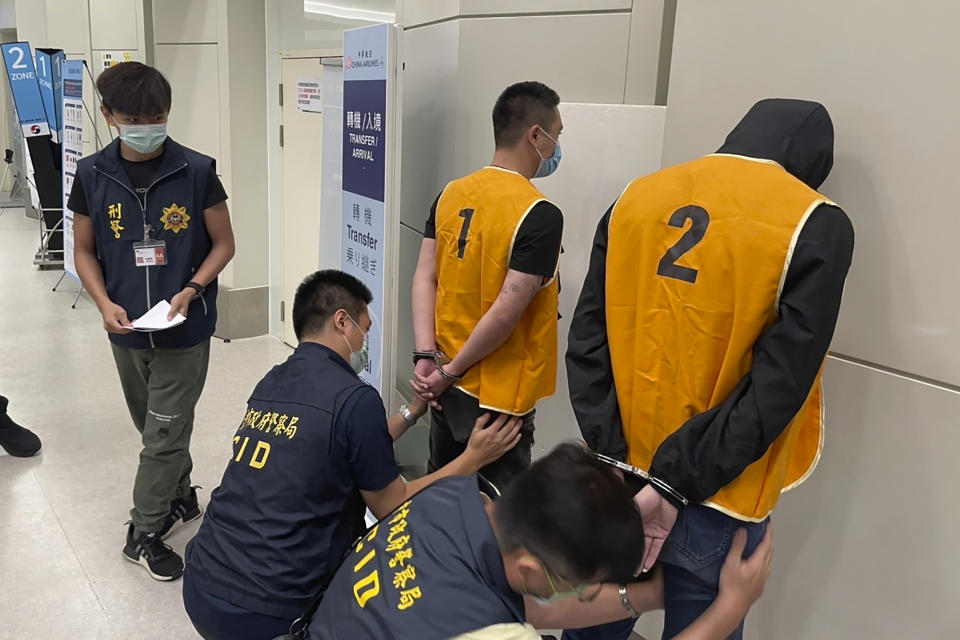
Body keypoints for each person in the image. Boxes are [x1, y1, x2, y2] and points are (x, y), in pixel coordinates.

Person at [563, 99, 855, 640]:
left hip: (616, 475)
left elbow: (586, 342)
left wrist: (615, 456)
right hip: (719, 495)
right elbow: (777, 385)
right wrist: (674, 482)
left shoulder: (636, 196)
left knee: (589, 625)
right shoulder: (814, 222)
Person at [182, 270, 522, 640]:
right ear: (341, 321)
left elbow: (341, 446)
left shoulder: (273, 380)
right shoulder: (354, 397)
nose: (365, 341)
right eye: (365, 328)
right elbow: (392, 505)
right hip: (271, 612)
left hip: (201, 584)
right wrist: (472, 457)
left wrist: (410, 414)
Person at [300, 443, 774, 640]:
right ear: (530, 569)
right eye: (584, 585)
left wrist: (651, 594)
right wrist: (726, 613)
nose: (586, 593)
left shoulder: (448, 497)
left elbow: (536, 607)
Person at [70, 62, 235, 581]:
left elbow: (224, 244)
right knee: (153, 424)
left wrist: (191, 289)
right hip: (124, 327)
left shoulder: (197, 171)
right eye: (134, 117)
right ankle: (181, 495)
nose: (148, 125)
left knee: (162, 433)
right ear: (108, 115)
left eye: (157, 115)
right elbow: (83, 249)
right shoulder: (92, 174)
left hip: (184, 326)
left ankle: (142, 532)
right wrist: (102, 303)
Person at [411, 81, 565, 492]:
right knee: (495, 514)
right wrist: (449, 370)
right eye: (557, 135)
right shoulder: (540, 214)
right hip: (498, 399)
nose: (556, 148)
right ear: (536, 135)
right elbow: (505, 312)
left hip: (444, 386)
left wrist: (428, 358)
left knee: (438, 493)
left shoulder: (450, 194)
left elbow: (425, 276)